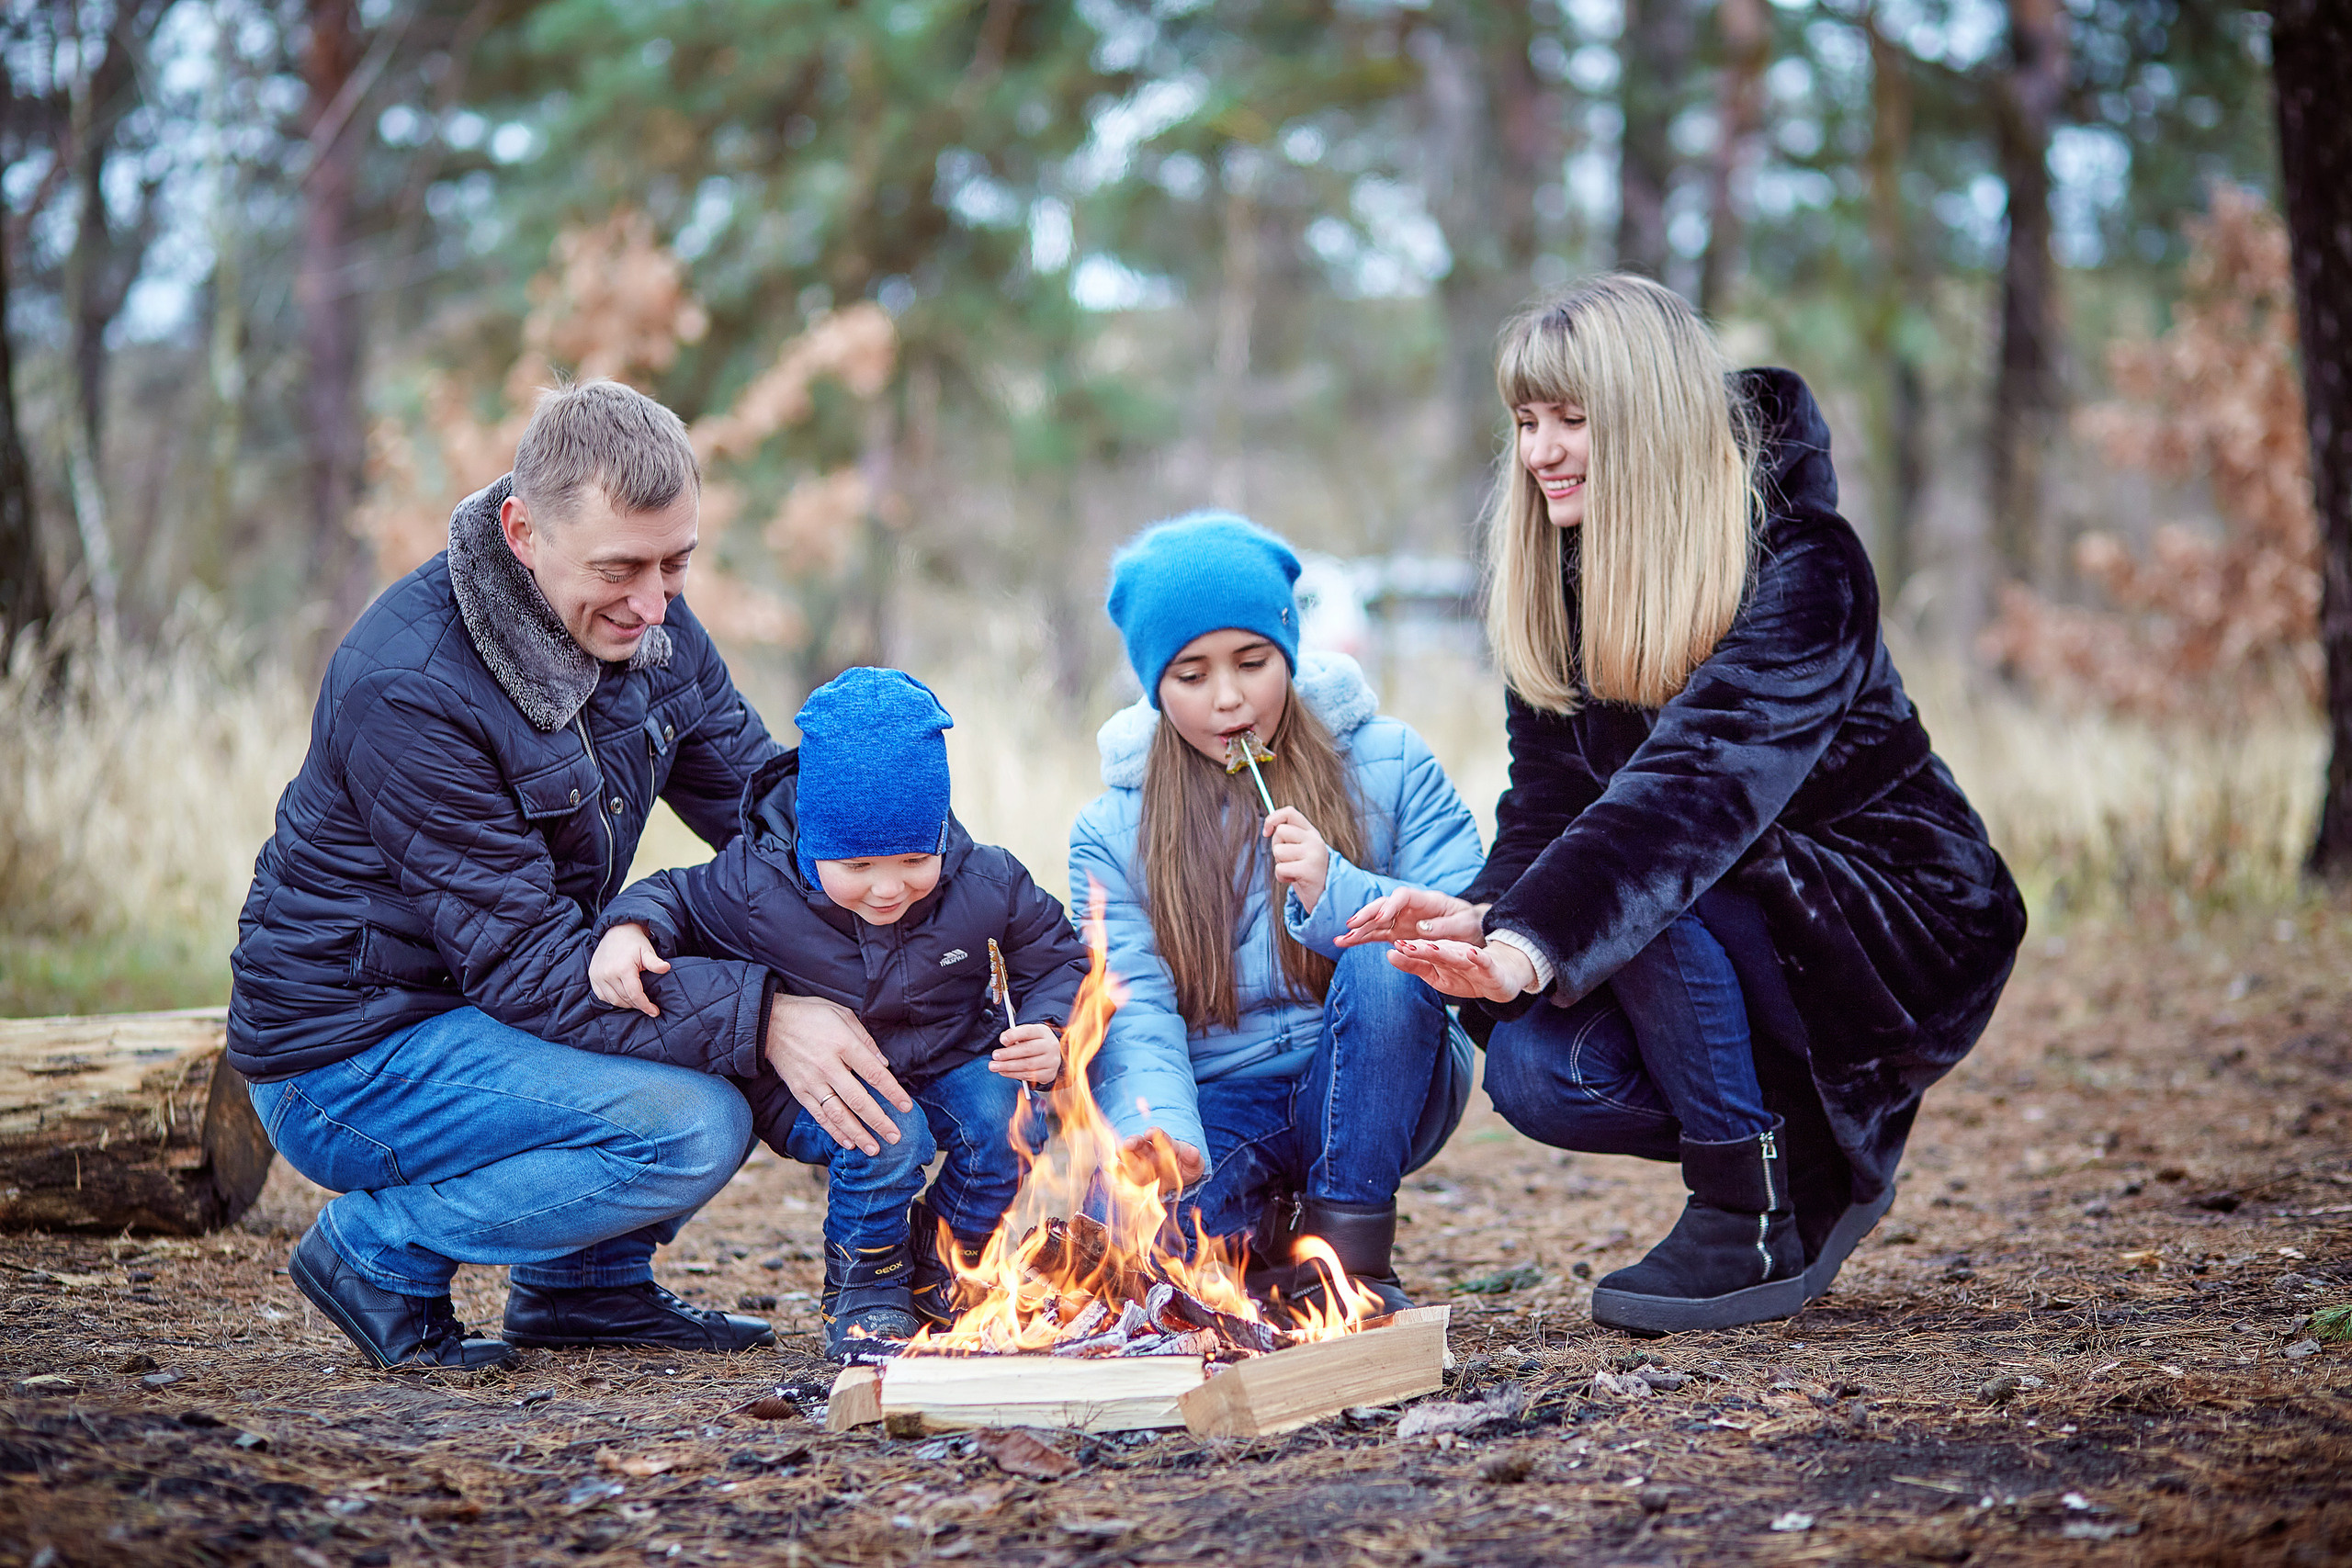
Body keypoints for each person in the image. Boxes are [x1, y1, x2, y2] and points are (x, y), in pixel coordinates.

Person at [1342, 275, 2028, 1335]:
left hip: (1895, 922)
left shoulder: (1803, 563)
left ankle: (1746, 1212)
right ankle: (1790, 1142)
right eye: (1527, 422)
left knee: (1672, 858)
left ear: (1651, 418)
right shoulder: (1564, 576)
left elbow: (1692, 795)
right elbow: (1551, 804)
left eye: (1574, 420)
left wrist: (1533, 940)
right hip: (1722, 903)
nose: (1541, 452)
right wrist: (1487, 916)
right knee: (1536, 1071)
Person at [229, 380, 918, 1371]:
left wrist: (932, 898)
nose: (652, 602)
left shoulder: (647, 626)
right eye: (622, 567)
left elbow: (766, 819)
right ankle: (381, 1252)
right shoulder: (410, 683)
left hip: (497, 1004)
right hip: (351, 1053)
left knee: (714, 985)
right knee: (691, 1123)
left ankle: (582, 1289)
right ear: (522, 531)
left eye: (676, 563)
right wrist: (767, 1013)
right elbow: (526, 967)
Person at [588, 667, 1091, 1359]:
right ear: (813, 840)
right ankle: (867, 1290)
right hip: (812, 1085)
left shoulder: (985, 879)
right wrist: (632, 929)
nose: (890, 887)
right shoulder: (754, 884)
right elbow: (673, 895)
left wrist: (1051, 1027)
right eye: (858, 865)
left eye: (916, 858)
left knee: (1007, 1120)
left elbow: (1057, 955)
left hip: (943, 1054)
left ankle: (943, 1265)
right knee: (890, 1136)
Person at [1069, 513, 1488, 1314]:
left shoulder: (1389, 760)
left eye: (1252, 663)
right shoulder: (1111, 830)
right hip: (1222, 1095)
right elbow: (1132, 1001)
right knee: (1132, 1259)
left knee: (1384, 954)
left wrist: (1337, 889)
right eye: (1191, 675)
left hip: (1379, 1074)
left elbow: (1461, 927)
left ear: (1289, 654)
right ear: (1155, 687)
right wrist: (1158, 1129)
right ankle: (1273, 1237)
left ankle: (1349, 1256)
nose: (1228, 698)